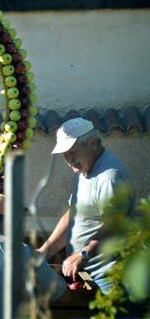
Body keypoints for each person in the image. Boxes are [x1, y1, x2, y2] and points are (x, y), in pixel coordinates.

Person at [37, 117, 136, 293]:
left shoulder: (109, 177)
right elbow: (72, 216)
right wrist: (45, 251)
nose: (68, 159)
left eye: (72, 151)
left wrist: (83, 254)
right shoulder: (84, 173)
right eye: (65, 154)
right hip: (89, 274)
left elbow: (114, 225)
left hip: (111, 277)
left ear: (92, 143)